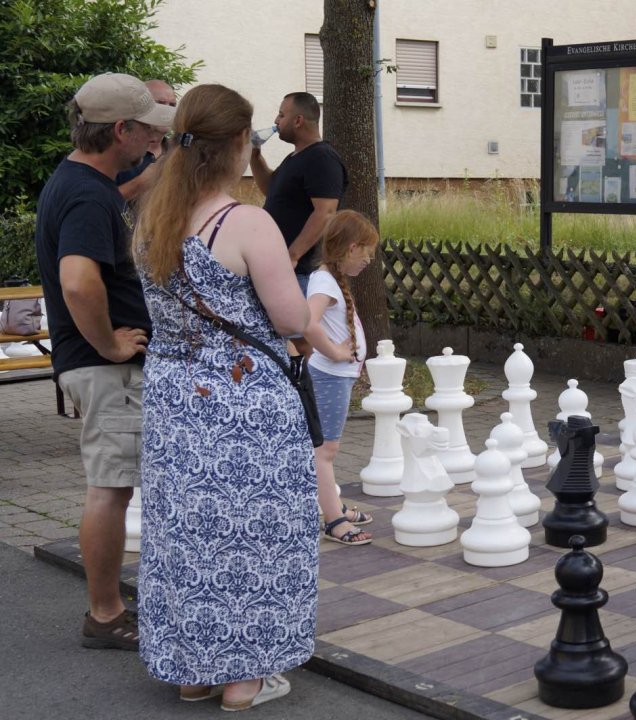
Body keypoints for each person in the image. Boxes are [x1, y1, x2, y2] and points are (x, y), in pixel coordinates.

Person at [133, 84, 316, 710]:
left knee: (187, 532)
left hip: (173, 400)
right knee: (256, 533)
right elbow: (290, 318)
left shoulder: (151, 218)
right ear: (239, 144)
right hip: (242, 404)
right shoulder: (245, 221)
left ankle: (194, 670)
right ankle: (245, 678)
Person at [34, 72, 174, 650]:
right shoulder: (89, 194)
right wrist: (111, 345)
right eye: (146, 132)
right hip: (105, 366)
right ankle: (106, 614)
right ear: (121, 130)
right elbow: (77, 282)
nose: (151, 142)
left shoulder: (76, 182)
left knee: (111, 486)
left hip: (94, 364)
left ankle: (109, 606)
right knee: (110, 489)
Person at [303, 210, 380, 545]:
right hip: (330, 376)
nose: (369, 259)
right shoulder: (324, 281)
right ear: (351, 248)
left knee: (324, 449)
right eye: (367, 251)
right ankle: (334, 520)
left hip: (336, 377)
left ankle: (331, 504)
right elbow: (307, 323)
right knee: (325, 451)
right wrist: (334, 352)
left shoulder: (329, 279)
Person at [248, 91, 347, 299]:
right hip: (284, 270)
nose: (276, 121)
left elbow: (325, 212)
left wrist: (293, 255)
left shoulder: (321, 158)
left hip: (302, 273)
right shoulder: (295, 158)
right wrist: (254, 156)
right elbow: (270, 189)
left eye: (281, 115)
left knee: (299, 331)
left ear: (298, 120)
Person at [116, 79, 177, 202]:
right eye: (160, 103)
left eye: (172, 105)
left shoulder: (177, 152)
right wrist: (138, 185)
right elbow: (98, 201)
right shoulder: (117, 151)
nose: (167, 110)